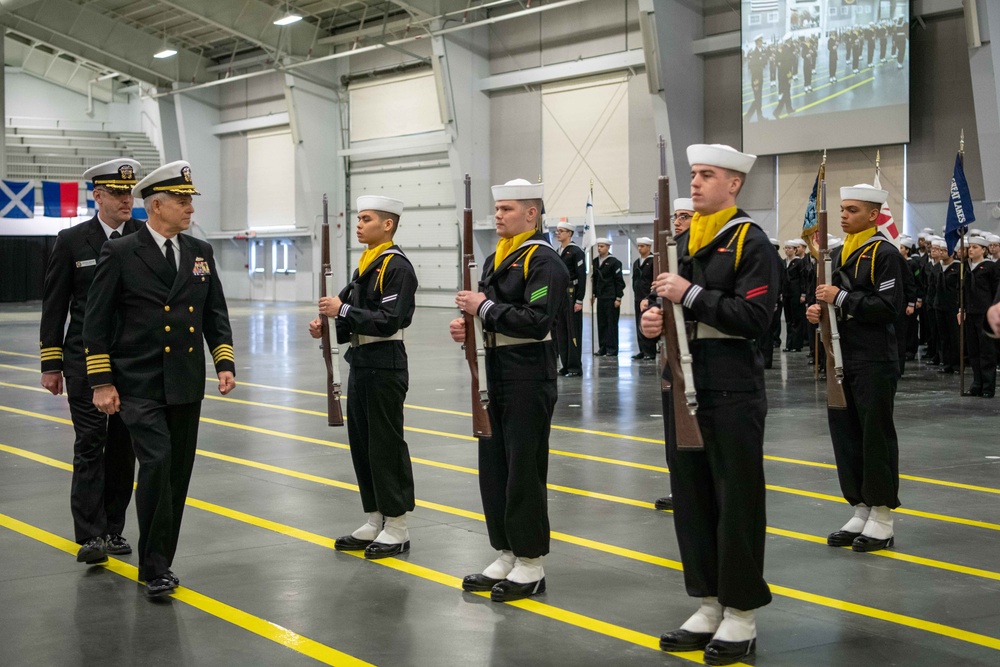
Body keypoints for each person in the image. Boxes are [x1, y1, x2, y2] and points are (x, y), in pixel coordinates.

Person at [642, 144, 779, 666]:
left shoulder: (751, 242)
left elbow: (756, 317)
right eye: (694, 174)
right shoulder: (681, 242)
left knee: (736, 501)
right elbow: (663, 305)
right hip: (682, 385)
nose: (695, 183)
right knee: (692, 498)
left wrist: (689, 296)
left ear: (734, 184)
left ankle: (741, 612)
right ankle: (707, 600)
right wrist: (652, 320)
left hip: (730, 387)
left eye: (707, 175)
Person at [83, 161, 235, 597]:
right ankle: (154, 568)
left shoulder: (199, 251)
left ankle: (160, 561)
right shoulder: (121, 252)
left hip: (185, 383)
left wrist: (223, 362)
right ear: (157, 206)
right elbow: (96, 322)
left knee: (177, 475)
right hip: (139, 383)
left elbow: (214, 313)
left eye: (190, 201)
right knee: (156, 464)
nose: (189, 208)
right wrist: (102, 381)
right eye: (181, 201)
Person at [450, 179, 569, 603]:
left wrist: (481, 308)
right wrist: (468, 326)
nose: (497, 215)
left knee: (523, 469)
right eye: (497, 208)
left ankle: (531, 561)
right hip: (494, 368)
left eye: (506, 209)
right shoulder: (494, 259)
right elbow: (493, 315)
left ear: (531, 214)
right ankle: (505, 550)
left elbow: (536, 319)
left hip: (527, 371)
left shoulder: (544, 261)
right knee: (494, 466)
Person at [39, 158, 141, 565]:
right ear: (97, 195)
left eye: (129, 193)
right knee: (90, 443)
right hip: (83, 359)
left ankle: (113, 529)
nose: (125, 200)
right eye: (117, 193)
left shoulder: (142, 237)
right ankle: (91, 534)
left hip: (130, 361)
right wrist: (51, 363)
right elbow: (55, 303)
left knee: (123, 448)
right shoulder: (71, 240)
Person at [309, 195, 418, 558]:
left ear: (387, 225)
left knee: (386, 445)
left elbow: (390, 321)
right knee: (363, 444)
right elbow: (348, 314)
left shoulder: (396, 267)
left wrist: (343, 310)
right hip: (363, 361)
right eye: (358, 218)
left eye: (366, 218)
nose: (359, 224)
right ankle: (375, 517)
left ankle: (398, 525)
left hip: (385, 362)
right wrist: (327, 323)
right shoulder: (367, 265)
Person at [806, 183, 906, 555]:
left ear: (873, 215)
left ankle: (882, 515)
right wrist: (817, 312)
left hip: (873, 357)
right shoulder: (836, 254)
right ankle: (860, 507)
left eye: (852, 210)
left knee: (874, 435)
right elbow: (828, 301)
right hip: (840, 356)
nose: (844, 215)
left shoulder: (885, 253)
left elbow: (888, 306)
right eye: (843, 209)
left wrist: (841, 297)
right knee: (845, 433)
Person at [653, 198, 696, 515]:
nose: (678, 221)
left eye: (685, 216)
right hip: (672, 354)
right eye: (676, 216)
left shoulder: (698, 254)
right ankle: (679, 484)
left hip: (700, 353)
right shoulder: (672, 254)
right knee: (672, 425)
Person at [961, 236, 998, 397]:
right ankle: (977, 383)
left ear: (983, 250)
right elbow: (962, 291)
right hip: (969, 313)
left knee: (987, 351)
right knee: (973, 350)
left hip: (985, 313)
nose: (970, 249)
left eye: (975, 247)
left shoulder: (990, 267)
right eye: (970, 247)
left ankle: (988, 386)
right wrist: (961, 308)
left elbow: (996, 289)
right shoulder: (966, 267)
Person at [553, 221, 587, 376]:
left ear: (569, 233)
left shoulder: (576, 251)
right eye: (557, 231)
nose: (558, 233)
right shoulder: (558, 250)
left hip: (572, 294)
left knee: (573, 331)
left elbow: (581, 276)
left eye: (561, 231)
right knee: (561, 331)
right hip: (561, 294)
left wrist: (579, 299)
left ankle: (574, 367)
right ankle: (565, 365)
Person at [591, 238, 625, 356]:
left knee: (611, 324)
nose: (599, 248)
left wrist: (618, 297)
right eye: (598, 246)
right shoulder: (595, 261)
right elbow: (594, 280)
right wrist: (594, 294)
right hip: (601, 297)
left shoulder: (614, 262)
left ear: (608, 247)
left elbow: (619, 281)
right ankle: (603, 347)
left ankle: (612, 348)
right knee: (602, 324)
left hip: (611, 297)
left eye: (602, 246)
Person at [631, 237, 657, 360]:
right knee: (639, 323)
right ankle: (642, 349)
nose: (640, 248)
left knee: (648, 323)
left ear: (649, 247)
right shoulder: (637, 262)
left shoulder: (653, 261)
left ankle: (650, 351)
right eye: (639, 246)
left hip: (648, 297)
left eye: (642, 246)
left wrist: (650, 296)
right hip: (638, 296)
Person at [782, 240, 805, 352]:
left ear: (795, 250)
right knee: (788, 319)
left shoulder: (799, 262)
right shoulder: (784, 262)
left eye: (789, 248)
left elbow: (803, 279)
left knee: (796, 319)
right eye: (785, 248)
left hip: (796, 293)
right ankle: (789, 344)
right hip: (786, 293)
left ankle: (796, 344)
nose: (787, 250)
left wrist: (803, 294)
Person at [745, 35, 767, 121]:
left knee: (758, 99)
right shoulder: (754, 54)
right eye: (761, 41)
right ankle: (748, 117)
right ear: (757, 42)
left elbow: (764, 62)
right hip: (756, 80)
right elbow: (754, 70)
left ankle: (759, 116)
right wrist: (756, 83)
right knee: (757, 100)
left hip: (760, 79)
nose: (762, 42)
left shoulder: (760, 52)